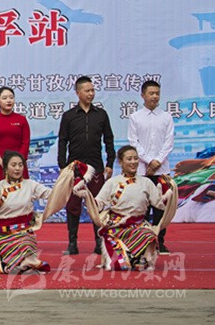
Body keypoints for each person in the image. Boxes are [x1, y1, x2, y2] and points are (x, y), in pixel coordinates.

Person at [0, 151, 75, 274]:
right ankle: (21, 262)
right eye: (13, 165)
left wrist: (67, 181)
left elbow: (52, 194)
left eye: (20, 165)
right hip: (3, 235)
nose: (17, 168)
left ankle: (25, 262)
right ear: (6, 168)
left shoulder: (30, 185)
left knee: (26, 245)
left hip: (24, 234)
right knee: (18, 258)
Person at [77, 145, 177, 271]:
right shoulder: (112, 182)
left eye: (136, 158)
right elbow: (98, 203)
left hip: (139, 227)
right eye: (129, 159)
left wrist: (168, 191)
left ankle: (138, 257)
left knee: (149, 237)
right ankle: (129, 257)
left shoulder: (146, 182)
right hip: (116, 228)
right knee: (120, 265)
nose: (133, 162)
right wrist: (86, 194)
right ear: (120, 162)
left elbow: (159, 204)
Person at [57, 75, 115, 255]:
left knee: (97, 205)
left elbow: (109, 140)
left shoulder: (101, 115)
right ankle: (72, 243)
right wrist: (62, 165)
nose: (91, 94)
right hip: (75, 168)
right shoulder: (69, 116)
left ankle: (99, 243)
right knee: (73, 206)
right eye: (87, 90)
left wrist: (110, 163)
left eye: (93, 90)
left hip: (96, 166)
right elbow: (62, 141)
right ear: (78, 93)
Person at [126, 80, 174, 253]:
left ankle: (159, 241)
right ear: (143, 95)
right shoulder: (135, 117)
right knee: (142, 207)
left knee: (161, 207)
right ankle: (143, 242)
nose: (155, 96)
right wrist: (148, 160)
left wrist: (157, 161)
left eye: (157, 93)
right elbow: (133, 142)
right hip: (142, 170)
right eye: (151, 93)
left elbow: (169, 142)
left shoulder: (166, 117)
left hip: (162, 170)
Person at [0, 87, 30, 187]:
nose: (9, 100)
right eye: (4, 98)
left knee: (20, 193)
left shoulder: (21, 119)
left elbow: (25, 142)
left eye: (11, 97)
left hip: (17, 166)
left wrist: (17, 163)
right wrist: (3, 163)